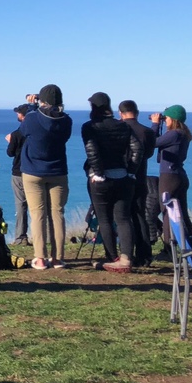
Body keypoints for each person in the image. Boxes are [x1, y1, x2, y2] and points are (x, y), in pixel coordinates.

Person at [81, 92, 144, 273]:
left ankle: (112, 258)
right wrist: (131, 171)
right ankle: (126, 258)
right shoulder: (123, 126)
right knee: (123, 219)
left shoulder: (89, 127)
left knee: (104, 219)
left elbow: (91, 150)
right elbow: (137, 149)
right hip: (122, 176)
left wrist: (98, 173)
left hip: (100, 179)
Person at [18, 84, 74, 270]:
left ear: (41, 100)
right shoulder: (66, 121)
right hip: (58, 171)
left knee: (37, 214)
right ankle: (57, 258)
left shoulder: (32, 118)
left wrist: (32, 106)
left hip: (33, 172)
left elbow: (24, 130)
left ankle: (40, 258)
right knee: (57, 214)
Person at [117, 100, 157, 265]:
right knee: (140, 215)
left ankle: (125, 251)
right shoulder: (146, 131)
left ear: (120, 113)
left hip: (121, 177)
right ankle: (144, 254)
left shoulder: (118, 129)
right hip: (140, 177)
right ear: (137, 112)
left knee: (121, 216)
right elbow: (149, 153)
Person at [150, 104, 192, 243]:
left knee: (167, 213)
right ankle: (191, 245)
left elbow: (151, 142)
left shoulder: (174, 134)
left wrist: (155, 124)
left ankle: (169, 249)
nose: (165, 120)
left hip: (169, 177)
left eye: (167, 118)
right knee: (182, 214)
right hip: (179, 175)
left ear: (174, 119)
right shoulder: (182, 134)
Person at [5, 105, 33, 246]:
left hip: (19, 172)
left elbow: (10, 153)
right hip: (34, 171)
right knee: (36, 205)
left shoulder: (16, 134)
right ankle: (41, 235)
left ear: (22, 115)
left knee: (21, 205)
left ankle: (21, 237)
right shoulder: (35, 133)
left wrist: (10, 141)